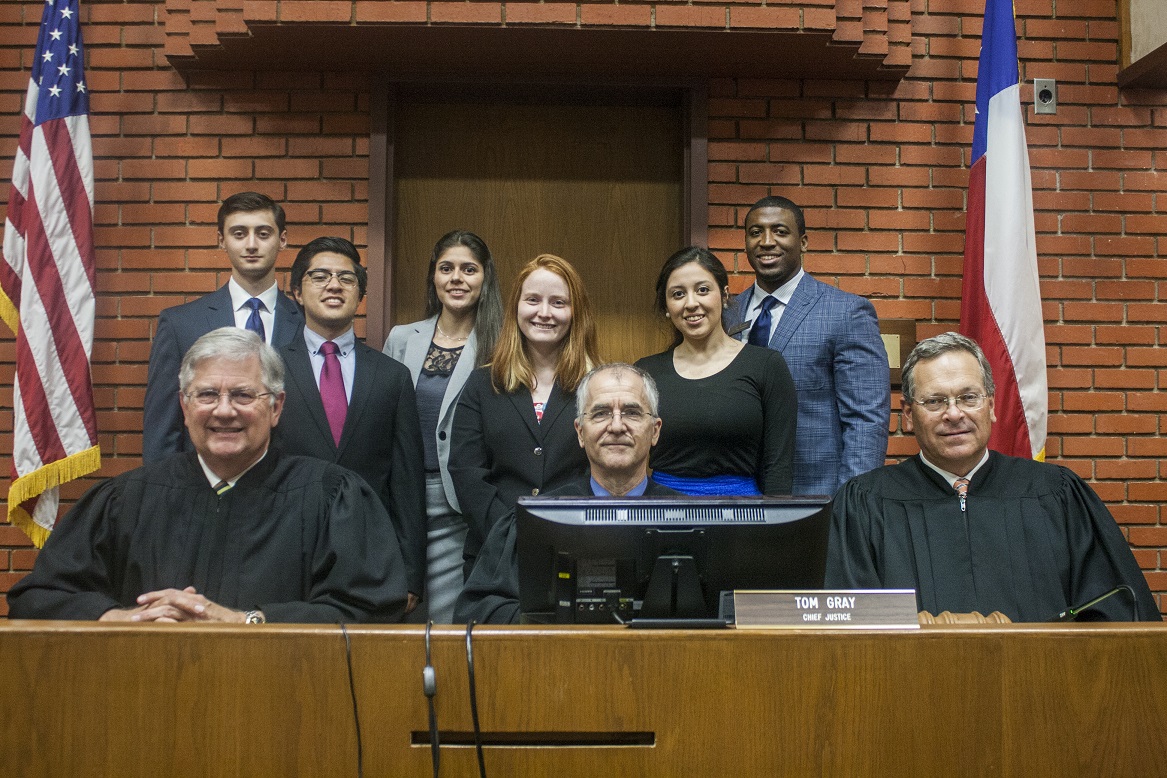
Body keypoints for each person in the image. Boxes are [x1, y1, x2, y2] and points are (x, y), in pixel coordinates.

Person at [7, 328, 408, 623]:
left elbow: (371, 608)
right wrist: (121, 618)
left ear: (276, 407)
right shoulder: (125, 500)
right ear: (184, 407)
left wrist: (247, 621)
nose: (224, 410)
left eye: (243, 395)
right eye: (207, 394)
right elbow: (37, 598)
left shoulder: (330, 497)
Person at [826, 332, 1161, 622]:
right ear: (909, 415)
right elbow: (848, 625)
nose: (954, 413)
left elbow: (1115, 613)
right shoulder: (865, 505)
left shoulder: (1056, 494)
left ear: (991, 405)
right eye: (935, 401)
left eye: (968, 397)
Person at [455, 363, 681, 624]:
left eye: (632, 413)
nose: (617, 426)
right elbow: (479, 611)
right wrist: (558, 624)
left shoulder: (688, 516)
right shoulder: (534, 521)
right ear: (580, 432)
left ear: (655, 431)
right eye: (601, 413)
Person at [272, 237, 427, 612]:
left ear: (360, 294)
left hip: (371, 555)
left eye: (346, 278)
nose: (334, 285)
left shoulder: (392, 376)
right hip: (286, 546)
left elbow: (407, 482)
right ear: (297, 291)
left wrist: (410, 574)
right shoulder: (269, 368)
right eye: (320, 276)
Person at [724, 195, 889, 496]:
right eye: (756, 232)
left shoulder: (846, 312)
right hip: (738, 496)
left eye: (780, 231)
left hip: (816, 496)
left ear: (803, 242)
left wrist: (850, 503)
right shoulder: (727, 315)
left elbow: (866, 420)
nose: (766, 241)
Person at [449, 254, 601, 577]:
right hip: (493, 556)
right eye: (532, 300)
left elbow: (605, 471)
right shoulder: (482, 384)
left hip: (577, 551)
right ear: (516, 307)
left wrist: (562, 533)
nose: (544, 312)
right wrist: (512, 536)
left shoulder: (599, 386)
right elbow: (466, 472)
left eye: (558, 302)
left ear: (576, 312)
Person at [383, 230, 504, 623]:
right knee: (400, 618)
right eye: (446, 268)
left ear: (485, 278)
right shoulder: (402, 338)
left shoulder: (501, 343)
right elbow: (384, 418)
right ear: (433, 277)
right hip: (403, 498)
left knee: (447, 622)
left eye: (469, 269)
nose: (457, 278)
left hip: (460, 504)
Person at [143, 192, 303, 460]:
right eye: (239, 234)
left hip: (290, 478)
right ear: (222, 241)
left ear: (282, 239)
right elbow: (162, 430)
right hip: (204, 478)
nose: (251, 244)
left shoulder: (306, 321)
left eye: (263, 234)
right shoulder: (181, 324)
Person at [635, 246, 797, 495]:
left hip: (741, 511)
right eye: (678, 294)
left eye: (703, 290)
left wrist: (776, 518)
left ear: (724, 295)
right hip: (663, 508)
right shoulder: (645, 372)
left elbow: (778, 468)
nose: (691, 303)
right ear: (666, 306)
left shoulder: (766, 365)